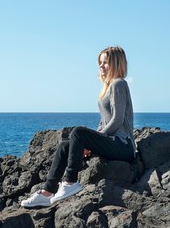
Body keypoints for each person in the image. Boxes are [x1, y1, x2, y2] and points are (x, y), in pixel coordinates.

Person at [21, 46, 136, 208]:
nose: (101, 67)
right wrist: (92, 142)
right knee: (64, 146)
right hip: (112, 142)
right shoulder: (108, 87)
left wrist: (94, 140)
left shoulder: (118, 84)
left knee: (78, 132)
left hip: (123, 146)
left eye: (105, 63)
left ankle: (70, 182)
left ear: (116, 64)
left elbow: (117, 120)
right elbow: (104, 122)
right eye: (100, 63)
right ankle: (47, 192)